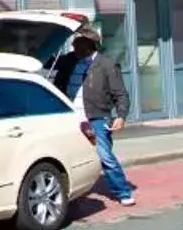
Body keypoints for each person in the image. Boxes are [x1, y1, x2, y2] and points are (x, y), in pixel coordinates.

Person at [53, 26, 135, 208]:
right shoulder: (68, 61)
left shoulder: (106, 65)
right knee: (65, 156)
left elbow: (121, 94)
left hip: (96, 117)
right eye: (73, 42)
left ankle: (123, 191)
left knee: (104, 155)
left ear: (89, 45)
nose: (73, 45)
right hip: (69, 118)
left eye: (78, 42)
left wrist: (121, 116)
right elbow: (46, 62)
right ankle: (69, 194)